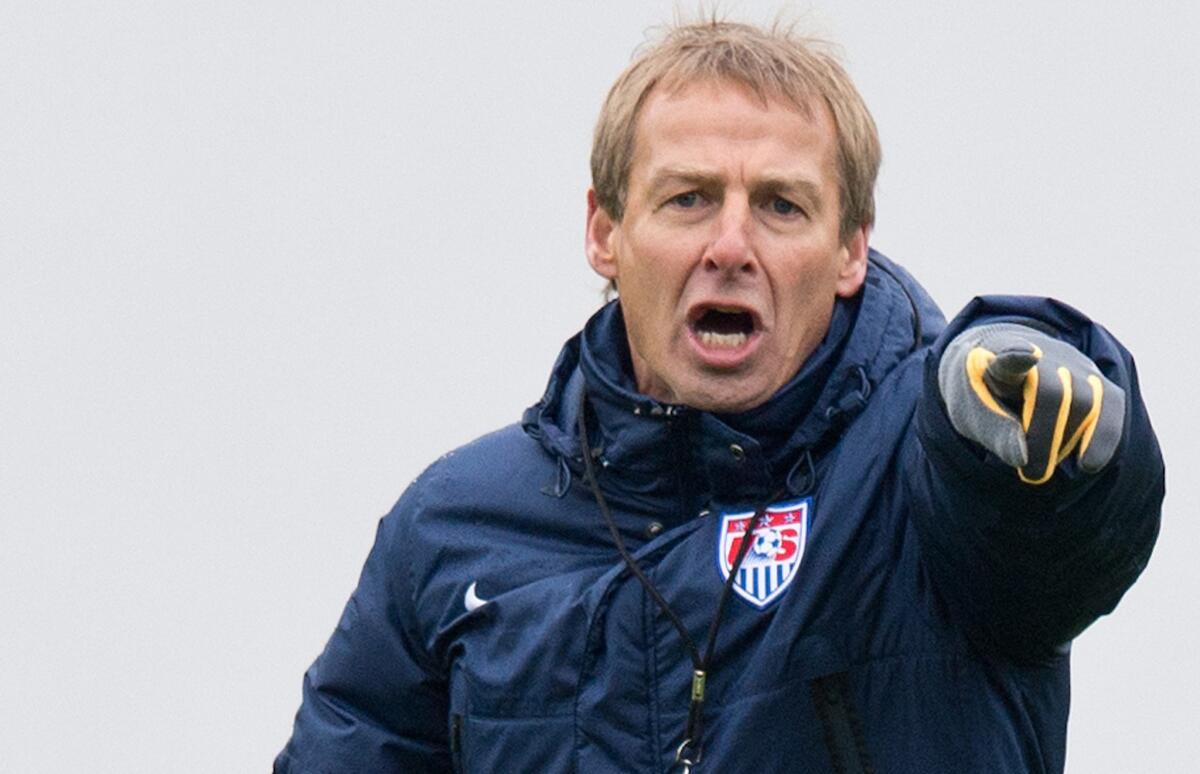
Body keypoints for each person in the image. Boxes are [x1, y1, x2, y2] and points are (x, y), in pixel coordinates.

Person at [275, 19, 1163, 773]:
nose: (732, 244)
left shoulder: (922, 469)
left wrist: (1057, 424)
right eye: (690, 198)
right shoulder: (451, 529)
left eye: (781, 206)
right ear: (605, 230)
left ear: (851, 247)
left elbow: (1062, 533)